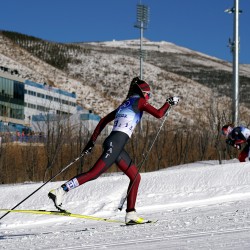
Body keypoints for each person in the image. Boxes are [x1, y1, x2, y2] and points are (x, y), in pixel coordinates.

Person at [48, 77, 179, 224]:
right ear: (144, 93)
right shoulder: (140, 102)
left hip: (116, 145)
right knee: (94, 173)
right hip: (115, 145)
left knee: (135, 177)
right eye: (148, 94)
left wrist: (91, 142)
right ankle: (61, 191)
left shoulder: (125, 104)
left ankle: (131, 214)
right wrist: (168, 103)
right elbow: (159, 114)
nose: (148, 97)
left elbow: (103, 120)